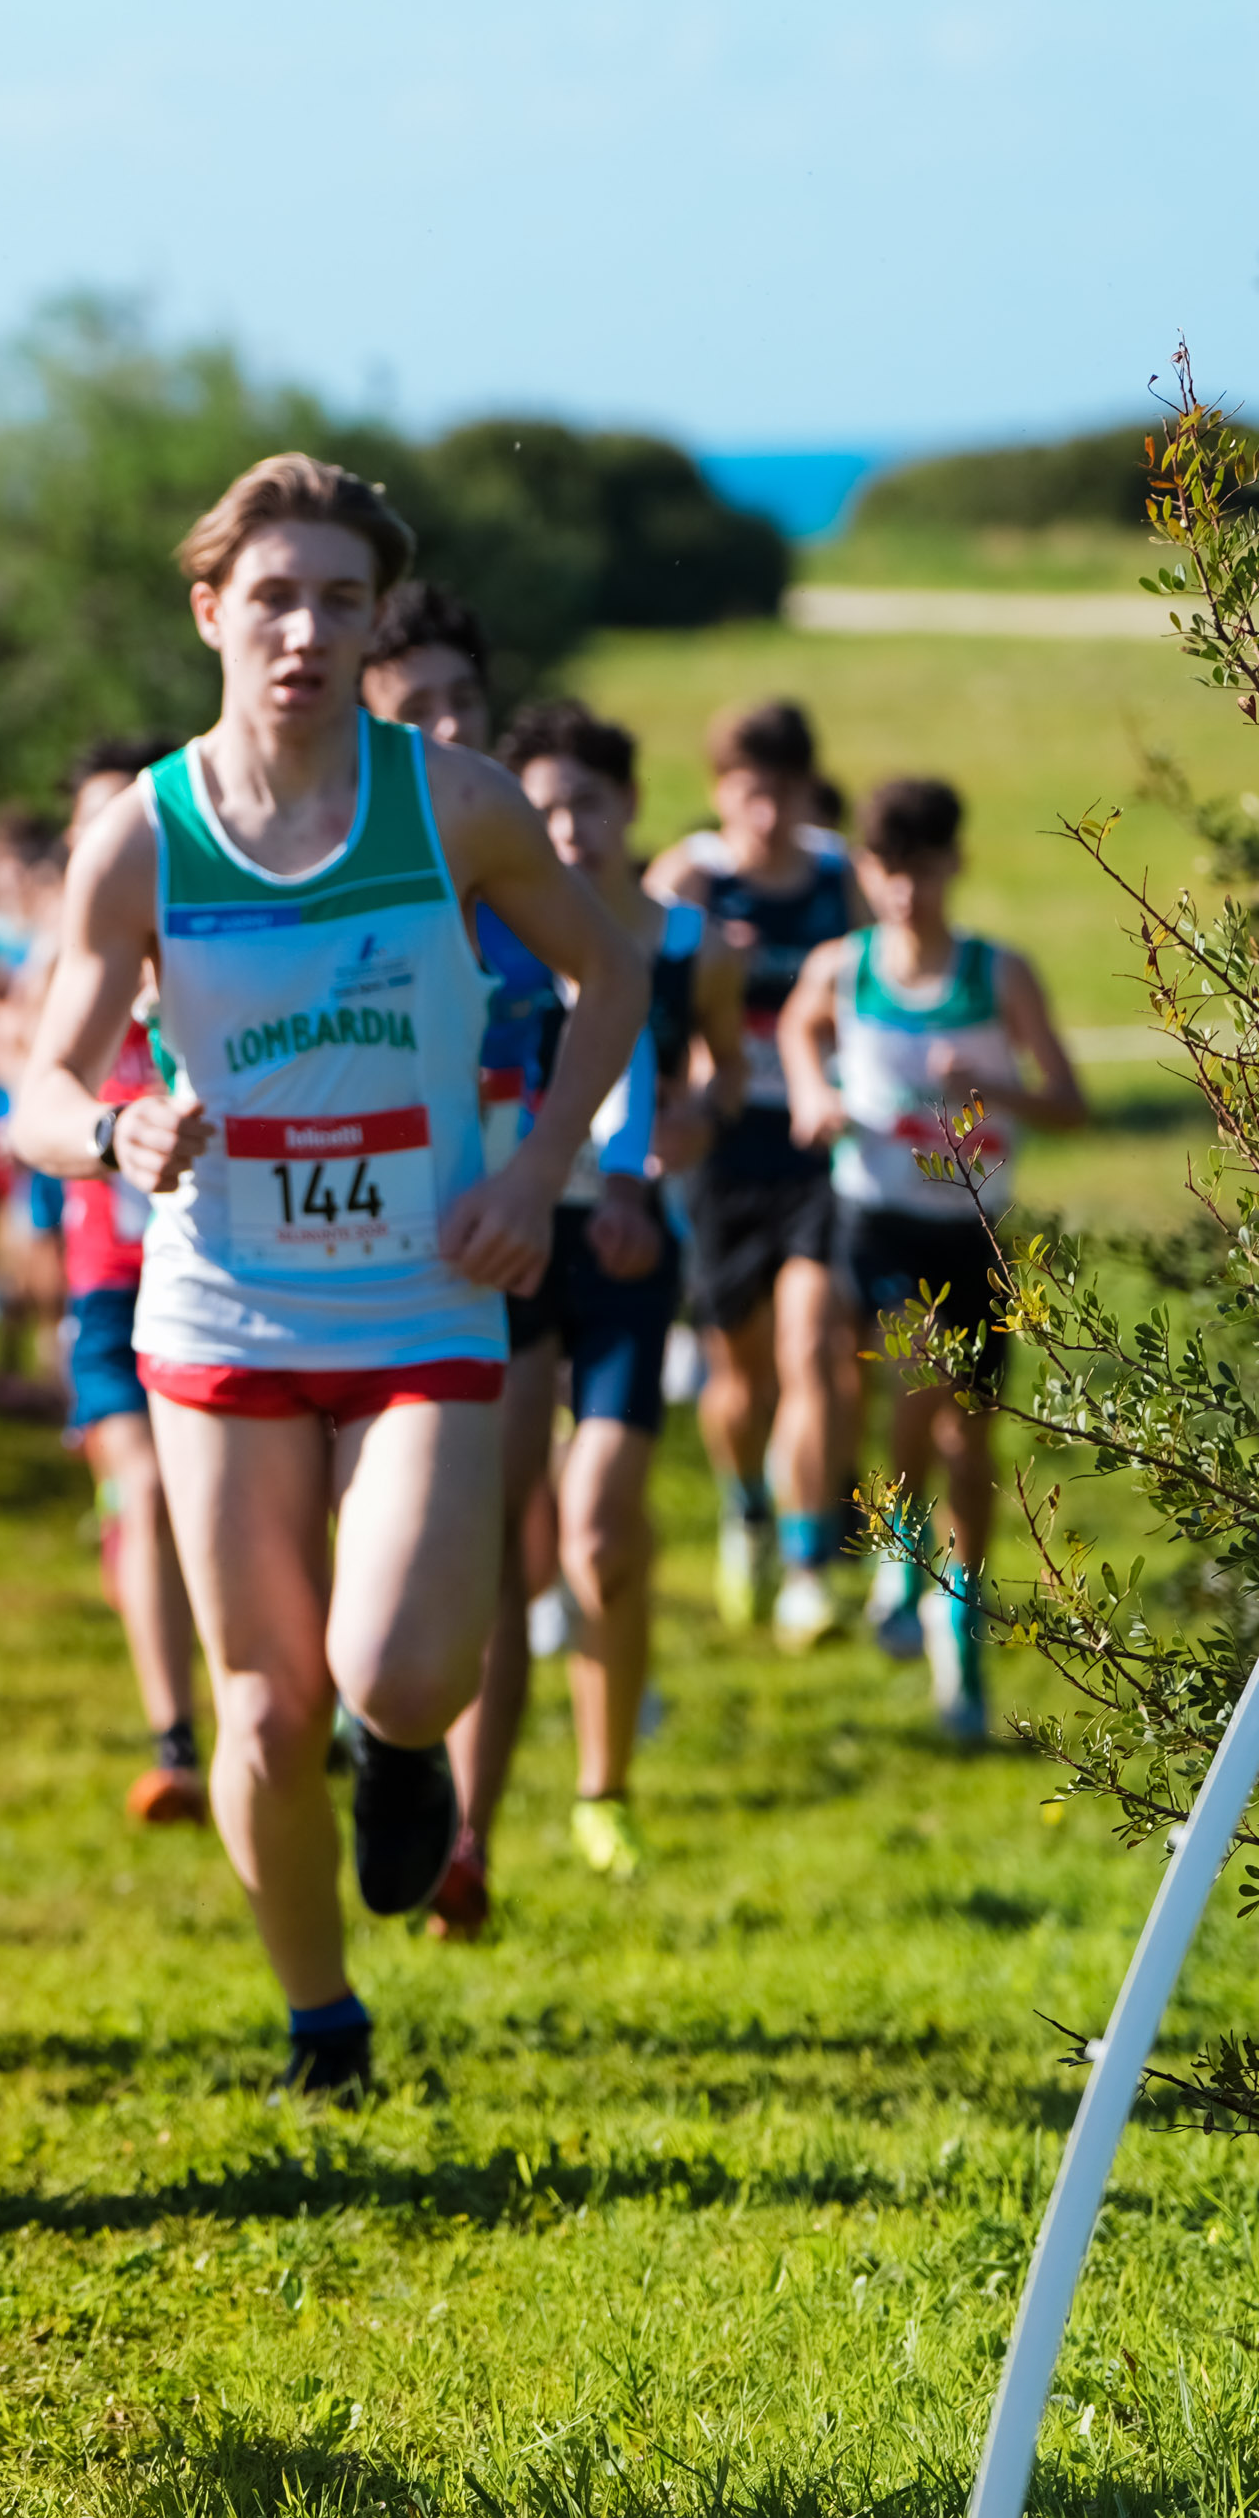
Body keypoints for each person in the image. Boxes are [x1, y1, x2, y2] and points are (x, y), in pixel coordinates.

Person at [9, 455, 641, 2097]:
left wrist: (534, 1168)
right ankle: (321, 2021)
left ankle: (407, 1749)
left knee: (399, 1672)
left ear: (373, 621)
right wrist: (116, 1130)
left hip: (424, 1287)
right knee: (264, 1707)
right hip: (222, 1302)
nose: (303, 630)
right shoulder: (139, 834)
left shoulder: (455, 802)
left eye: (339, 600)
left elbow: (612, 969)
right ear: (210, 609)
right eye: (273, 597)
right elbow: (39, 1089)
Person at [778, 776, 1085, 1743]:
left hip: (974, 1229)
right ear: (867, 872)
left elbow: (1070, 1103)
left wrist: (995, 1085)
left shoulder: (1000, 974)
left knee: (971, 1438)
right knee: (917, 1378)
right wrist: (811, 1094)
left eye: (923, 869)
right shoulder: (844, 966)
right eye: (888, 870)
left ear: (956, 864)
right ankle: (900, 1551)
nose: (906, 891)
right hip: (878, 1219)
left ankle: (960, 1616)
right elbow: (798, 1027)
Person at [356, 581, 563, 1937]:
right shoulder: (333, 873)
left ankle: (467, 1838)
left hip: (508, 1260)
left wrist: (549, 1172)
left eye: (463, 701)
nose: (445, 727)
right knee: (371, 1562)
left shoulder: (520, 864)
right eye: (413, 706)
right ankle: (385, 1734)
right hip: (349, 1268)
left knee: (490, 1543)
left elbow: (614, 1010)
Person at [497, 701, 694, 1881]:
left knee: (599, 1525)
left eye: (586, 802)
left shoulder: (688, 943)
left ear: (627, 806)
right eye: (544, 808)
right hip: (512, 1245)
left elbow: (723, 1076)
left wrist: (691, 1125)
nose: (567, 827)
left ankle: (601, 1788)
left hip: (629, 1248)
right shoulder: (490, 937)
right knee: (514, 1528)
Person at [651, 701, 863, 1648]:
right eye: (748, 795)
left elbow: (882, 984)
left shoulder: (840, 879)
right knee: (736, 1377)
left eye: (783, 794)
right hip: (723, 1142)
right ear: (718, 793)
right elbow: (631, 992)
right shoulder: (691, 878)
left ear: (807, 791)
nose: (768, 816)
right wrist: (703, 970)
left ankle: (810, 1567)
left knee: (812, 1346)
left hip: (817, 1142)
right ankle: (746, 1508)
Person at [47, 744, 209, 1831]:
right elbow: (27, 1110)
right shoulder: (65, 976)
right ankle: (174, 1743)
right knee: (145, 1493)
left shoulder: (223, 960)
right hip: (108, 1286)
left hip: (221, 1279)